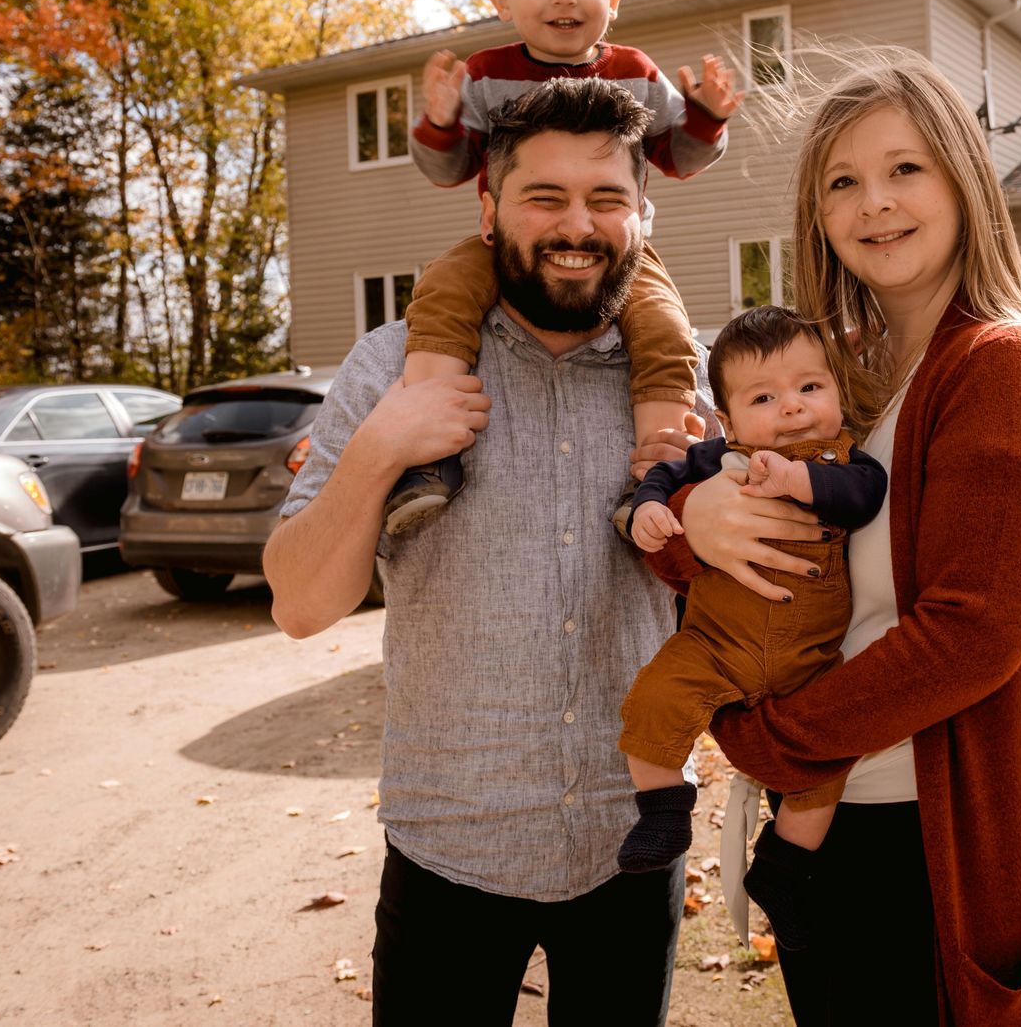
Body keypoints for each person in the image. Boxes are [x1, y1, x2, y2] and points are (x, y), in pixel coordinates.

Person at [644, 53, 1021, 1025]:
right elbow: (722, 538)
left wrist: (764, 740)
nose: (874, 203)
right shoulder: (835, 387)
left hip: (929, 844)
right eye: (844, 181)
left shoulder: (1003, 367)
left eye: (905, 170)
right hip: (837, 838)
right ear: (818, 212)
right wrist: (694, 522)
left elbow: (972, 633)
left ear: (963, 179)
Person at [263, 77, 714, 1025]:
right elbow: (300, 606)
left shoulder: (686, 391)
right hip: (448, 847)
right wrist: (384, 445)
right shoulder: (393, 365)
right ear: (487, 207)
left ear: (644, 213)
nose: (576, 226)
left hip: (631, 842)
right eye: (543, 197)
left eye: (605, 200)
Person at [387, 0, 737, 533]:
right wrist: (440, 122)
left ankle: (657, 477)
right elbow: (452, 168)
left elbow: (675, 158)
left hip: (620, 258)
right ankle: (428, 457)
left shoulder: (635, 71)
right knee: (442, 293)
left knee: (664, 329)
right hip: (506, 248)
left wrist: (709, 118)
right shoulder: (488, 75)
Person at [617, 305, 886, 953]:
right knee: (652, 699)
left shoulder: (846, 459)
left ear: (837, 392)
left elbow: (864, 496)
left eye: (809, 388)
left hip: (810, 662)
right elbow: (664, 473)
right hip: (716, 646)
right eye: (765, 397)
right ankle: (663, 810)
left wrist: (800, 478)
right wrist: (649, 507)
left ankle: (784, 868)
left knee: (826, 767)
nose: (792, 407)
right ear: (730, 421)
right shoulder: (718, 459)